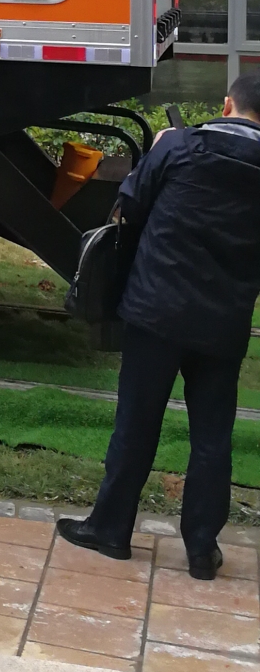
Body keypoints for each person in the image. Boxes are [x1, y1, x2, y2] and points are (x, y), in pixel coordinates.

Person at [57, 74, 260, 578]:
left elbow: (131, 205)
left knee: (137, 421)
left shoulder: (179, 146)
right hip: (225, 321)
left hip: (156, 309)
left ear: (227, 104)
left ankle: (110, 530)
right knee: (212, 435)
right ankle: (201, 548)